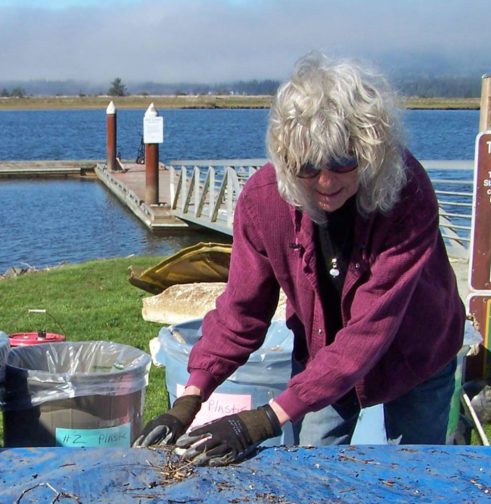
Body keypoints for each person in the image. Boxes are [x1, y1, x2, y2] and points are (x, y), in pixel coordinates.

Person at [135, 52, 466, 465]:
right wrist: (189, 398)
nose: (326, 183)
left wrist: (258, 422)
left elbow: (369, 331)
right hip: (324, 353)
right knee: (309, 462)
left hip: (415, 349)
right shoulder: (262, 201)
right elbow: (240, 313)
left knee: (412, 470)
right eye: (308, 167)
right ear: (287, 160)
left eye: (343, 163)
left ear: (370, 150)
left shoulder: (408, 195)